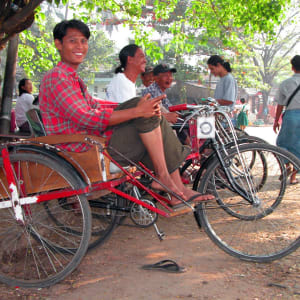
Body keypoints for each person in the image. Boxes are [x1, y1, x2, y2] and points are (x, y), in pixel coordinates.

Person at [39, 19, 214, 207]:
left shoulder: (73, 78)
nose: (80, 46)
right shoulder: (58, 77)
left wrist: (139, 109)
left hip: (92, 140)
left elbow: (95, 107)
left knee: (149, 113)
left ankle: (171, 184)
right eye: (73, 41)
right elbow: (87, 117)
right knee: (145, 114)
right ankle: (166, 179)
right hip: (82, 148)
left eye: (83, 41)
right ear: (58, 44)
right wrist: (137, 111)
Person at [142, 63, 190, 145]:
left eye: (170, 75)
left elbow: (170, 108)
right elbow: (156, 113)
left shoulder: (160, 91)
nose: (169, 78)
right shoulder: (152, 91)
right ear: (156, 78)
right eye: (165, 75)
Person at [273, 55, 300, 185]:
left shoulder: (286, 83)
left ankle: (286, 165)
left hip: (291, 116)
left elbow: (280, 104)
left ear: (292, 67)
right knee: (298, 146)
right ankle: (293, 177)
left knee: (282, 143)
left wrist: (276, 120)